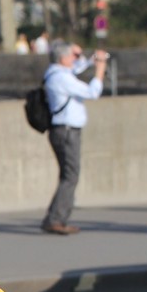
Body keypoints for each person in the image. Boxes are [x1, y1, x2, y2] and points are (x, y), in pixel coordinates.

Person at [40, 43, 110, 235]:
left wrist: (89, 60)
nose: (76, 58)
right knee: (71, 175)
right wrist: (100, 69)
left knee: (67, 175)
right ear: (63, 58)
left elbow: (76, 68)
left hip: (62, 130)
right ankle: (56, 219)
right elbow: (92, 92)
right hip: (67, 131)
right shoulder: (62, 78)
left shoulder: (54, 72)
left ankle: (55, 217)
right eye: (73, 55)